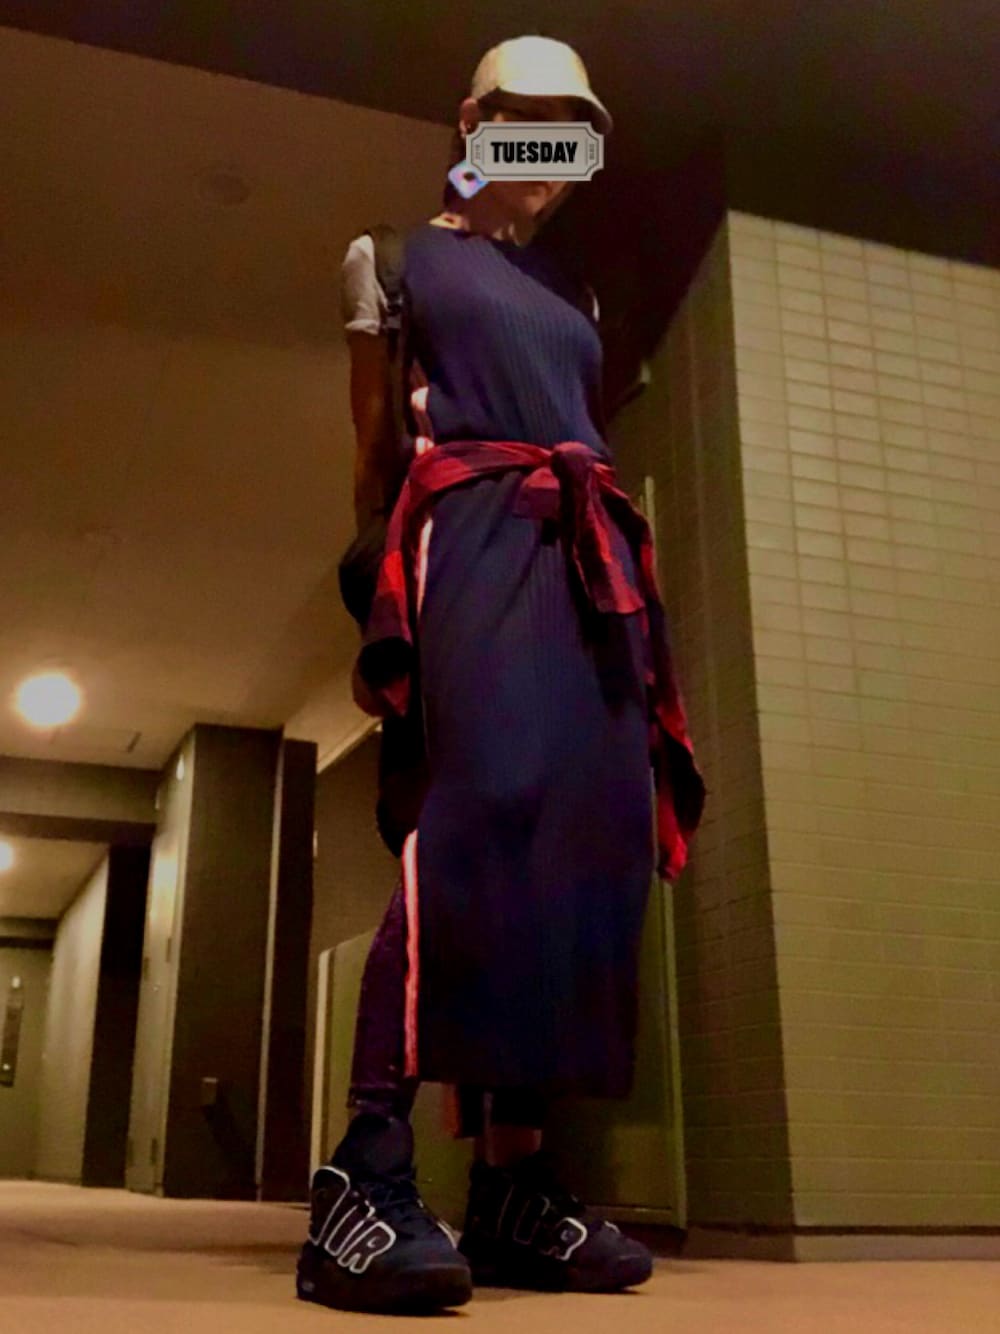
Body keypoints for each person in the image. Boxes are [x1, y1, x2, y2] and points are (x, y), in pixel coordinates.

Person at [296, 34, 704, 1315]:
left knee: (584, 841)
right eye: (532, 123)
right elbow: (375, 456)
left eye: (575, 135)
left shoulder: (575, 293)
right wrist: (378, 611)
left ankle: (514, 1185)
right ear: (474, 120)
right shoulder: (393, 258)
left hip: (587, 561)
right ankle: (362, 1171)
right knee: (471, 819)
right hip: (463, 536)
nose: (555, 154)